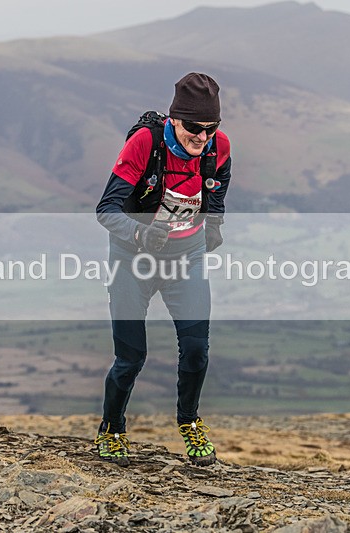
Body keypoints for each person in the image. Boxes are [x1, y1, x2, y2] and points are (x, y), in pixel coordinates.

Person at [95, 72, 232, 467]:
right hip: (133, 258)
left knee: (197, 350)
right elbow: (106, 210)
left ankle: (189, 421)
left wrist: (214, 225)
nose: (202, 137)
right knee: (131, 357)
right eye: (194, 127)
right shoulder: (145, 143)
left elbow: (218, 184)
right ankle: (112, 427)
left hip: (186, 256)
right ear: (175, 119)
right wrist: (140, 234)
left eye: (210, 128)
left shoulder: (218, 146)